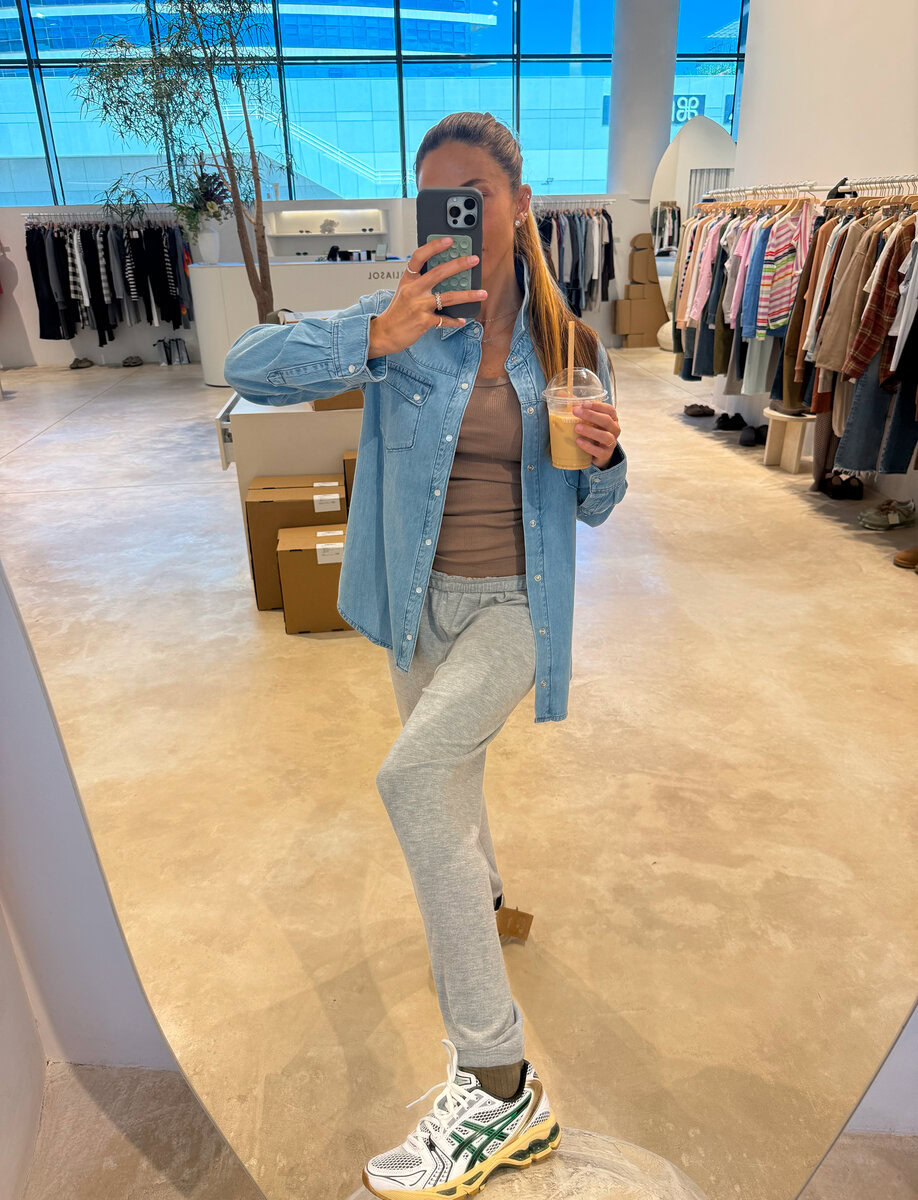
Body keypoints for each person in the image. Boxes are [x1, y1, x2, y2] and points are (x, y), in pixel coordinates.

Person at [224, 110, 628, 1198]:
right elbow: (245, 365)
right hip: (415, 608)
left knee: (413, 779)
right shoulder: (402, 322)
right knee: (451, 778)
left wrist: (603, 459)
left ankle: (499, 1087)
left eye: (474, 199)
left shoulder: (572, 347)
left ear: (520, 206)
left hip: (513, 611)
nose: (453, 220)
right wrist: (373, 335)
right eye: (435, 203)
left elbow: (599, 505)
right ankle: (480, 893)